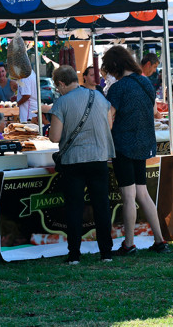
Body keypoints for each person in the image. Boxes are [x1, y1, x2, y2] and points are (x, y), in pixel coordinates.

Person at [102, 46, 170, 255]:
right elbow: (154, 113)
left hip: (123, 144)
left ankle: (129, 244)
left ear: (114, 66)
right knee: (142, 192)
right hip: (144, 143)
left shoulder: (118, 88)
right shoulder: (146, 82)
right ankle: (160, 240)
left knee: (128, 195)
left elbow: (108, 120)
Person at [48, 65, 114, 264]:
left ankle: (74, 255)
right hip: (99, 157)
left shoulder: (61, 103)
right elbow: (109, 125)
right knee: (102, 206)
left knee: (74, 208)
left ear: (61, 83)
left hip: (73, 162)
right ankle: (106, 254)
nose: (57, 90)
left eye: (57, 86)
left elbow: (55, 137)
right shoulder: (100, 98)